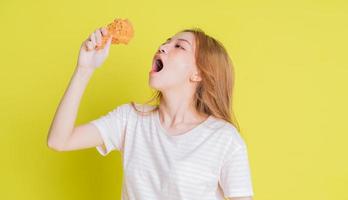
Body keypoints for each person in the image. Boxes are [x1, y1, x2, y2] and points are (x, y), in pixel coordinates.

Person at [47, 26, 254, 200]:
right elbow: (59, 141)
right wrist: (84, 68)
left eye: (179, 46)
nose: (162, 47)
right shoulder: (131, 119)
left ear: (198, 73)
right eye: (166, 42)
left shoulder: (223, 138)